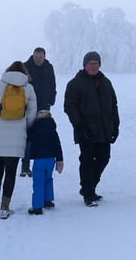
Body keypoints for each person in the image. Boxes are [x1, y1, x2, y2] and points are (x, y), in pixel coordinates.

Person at [0, 60, 37, 219]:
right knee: (11, 170)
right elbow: (32, 112)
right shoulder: (28, 88)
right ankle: (4, 207)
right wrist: (28, 128)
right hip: (17, 135)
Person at [64, 51, 120, 207]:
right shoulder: (75, 84)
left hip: (104, 130)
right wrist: (79, 126)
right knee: (87, 161)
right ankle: (88, 193)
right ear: (85, 65)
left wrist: (115, 126)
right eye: (91, 63)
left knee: (104, 158)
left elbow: (113, 105)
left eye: (96, 63)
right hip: (86, 131)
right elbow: (69, 107)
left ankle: (89, 187)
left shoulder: (106, 82)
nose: (94, 66)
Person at [21, 47, 57, 177]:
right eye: (36, 57)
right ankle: (25, 166)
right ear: (33, 56)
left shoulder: (49, 67)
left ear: (44, 57)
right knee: (28, 135)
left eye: (41, 57)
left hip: (44, 106)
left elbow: (53, 84)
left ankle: (39, 163)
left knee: (42, 135)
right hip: (29, 106)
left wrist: (52, 98)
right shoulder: (26, 67)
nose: (38, 60)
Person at [24, 109, 64, 215]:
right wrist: (60, 159)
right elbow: (57, 144)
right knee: (48, 179)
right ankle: (48, 201)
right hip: (51, 160)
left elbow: (27, 140)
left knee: (38, 183)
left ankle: (37, 207)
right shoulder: (52, 129)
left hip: (39, 160)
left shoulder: (34, 129)